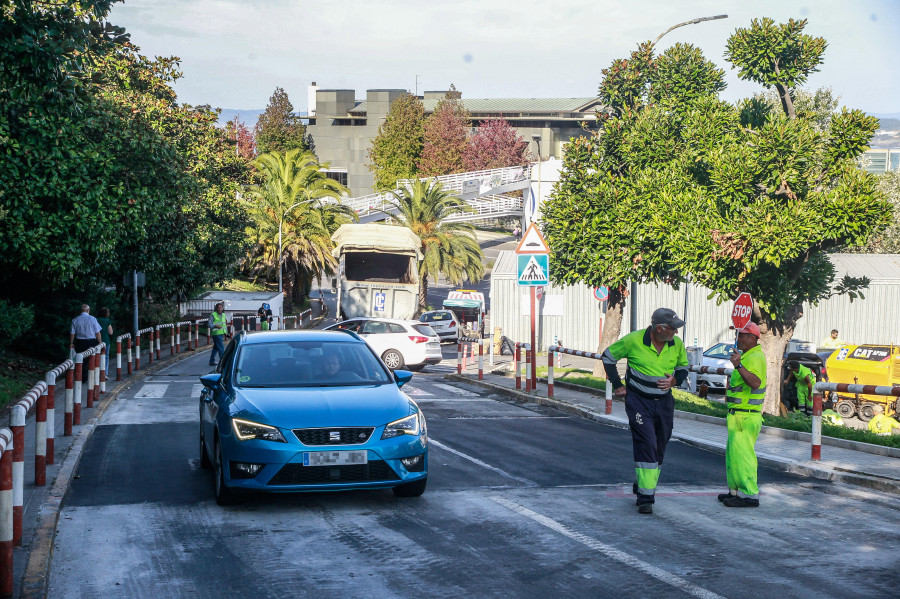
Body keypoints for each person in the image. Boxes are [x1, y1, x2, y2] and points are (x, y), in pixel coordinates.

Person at [602, 308, 689, 515]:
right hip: (639, 402)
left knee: (660, 445)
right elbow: (608, 357)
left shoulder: (676, 344)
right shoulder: (634, 340)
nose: (676, 333)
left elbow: (683, 367)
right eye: (672, 329)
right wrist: (617, 384)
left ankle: (642, 482)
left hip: (664, 403)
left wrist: (674, 380)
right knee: (647, 442)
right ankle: (645, 498)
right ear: (659, 329)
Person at [718, 321, 767, 508]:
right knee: (733, 456)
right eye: (738, 334)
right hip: (738, 415)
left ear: (753, 338)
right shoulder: (748, 356)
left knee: (744, 456)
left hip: (746, 416)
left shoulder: (754, 358)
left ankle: (749, 495)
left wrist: (738, 366)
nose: (738, 338)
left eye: (742, 335)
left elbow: (754, 382)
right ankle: (736, 491)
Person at [69, 304, 102, 383]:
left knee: (81, 360)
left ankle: (83, 378)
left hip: (79, 342)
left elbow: (72, 333)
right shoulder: (93, 319)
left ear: (81, 311)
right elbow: (97, 332)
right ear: (88, 310)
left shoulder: (75, 320)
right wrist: (100, 342)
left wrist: (71, 343)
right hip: (92, 342)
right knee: (92, 359)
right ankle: (93, 377)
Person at [208, 302, 227, 367]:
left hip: (221, 333)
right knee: (221, 348)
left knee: (216, 348)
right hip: (216, 334)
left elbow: (224, 324)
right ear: (216, 308)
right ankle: (222, 362)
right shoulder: (213, 314)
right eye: (218, 307)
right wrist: (215, 326)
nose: (220, 309)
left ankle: (211, 361)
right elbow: (209, 324)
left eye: (221, 307)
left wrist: (226, 332)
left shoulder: (223, 315)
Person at [96, 307, 114, 372]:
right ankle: (104, 373)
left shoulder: (95, 320)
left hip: (96, 341)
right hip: (106, 341)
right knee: (106, 357)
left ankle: (96, 372)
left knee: (96, 357)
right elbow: (110, 332)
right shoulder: (107, 320)